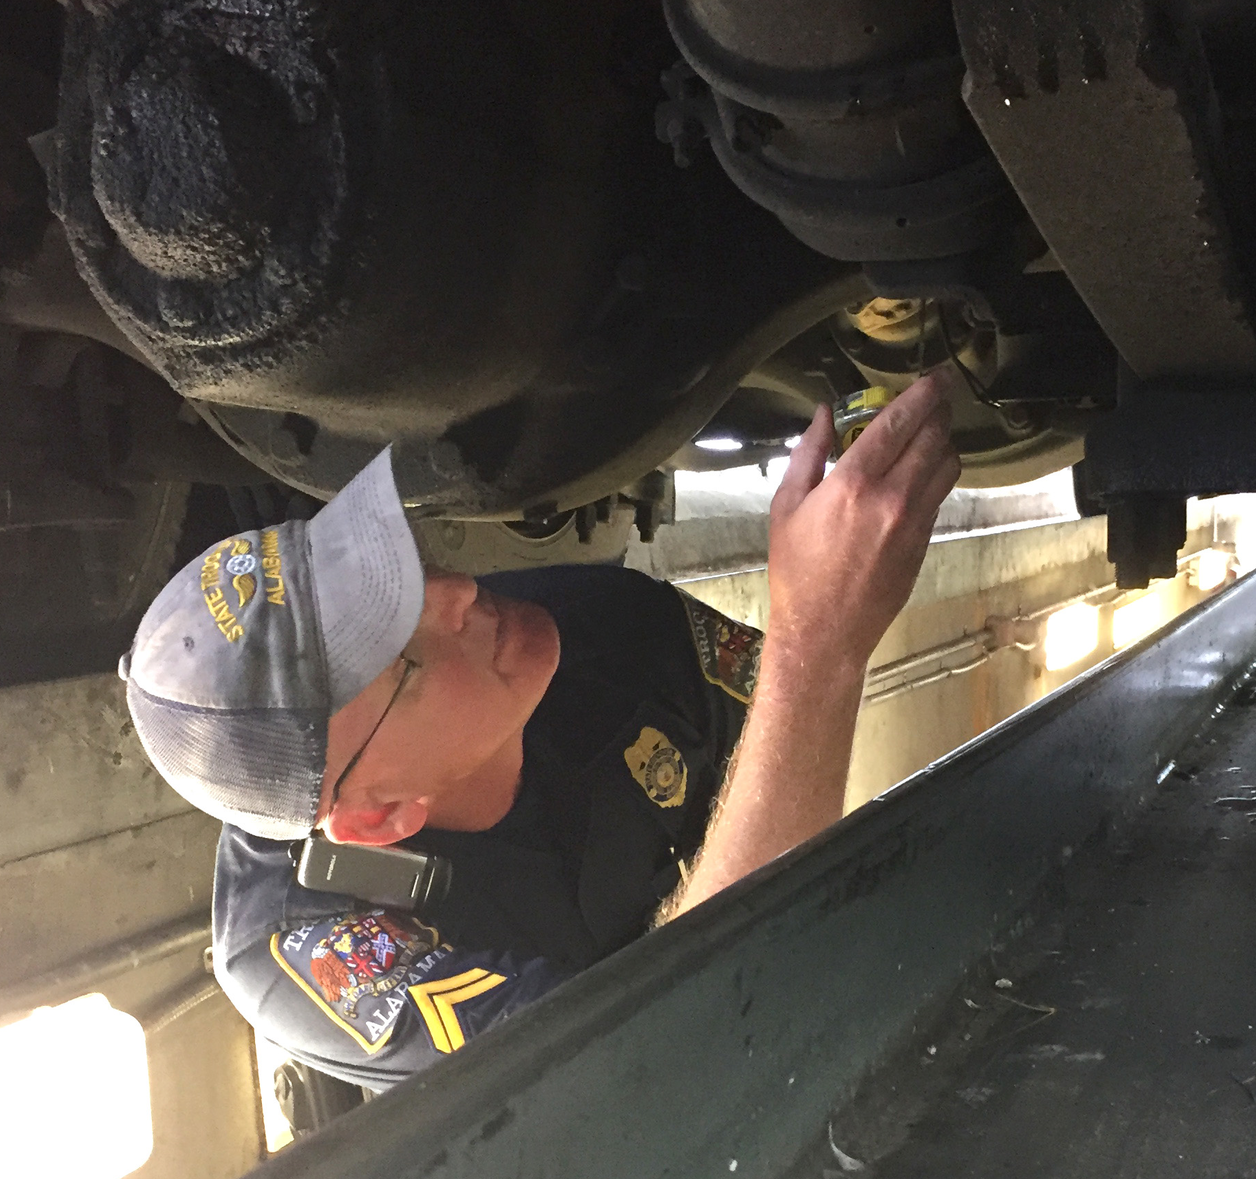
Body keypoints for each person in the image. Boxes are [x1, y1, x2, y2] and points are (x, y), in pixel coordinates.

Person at [120, 374, 960, 1088]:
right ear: (378, 815)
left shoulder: (612, 625)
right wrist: (818, 649)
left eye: (398, 570)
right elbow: (653, 1066)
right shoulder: (309, 945)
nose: (458, 599)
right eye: (400, 656)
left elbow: (794, 760)